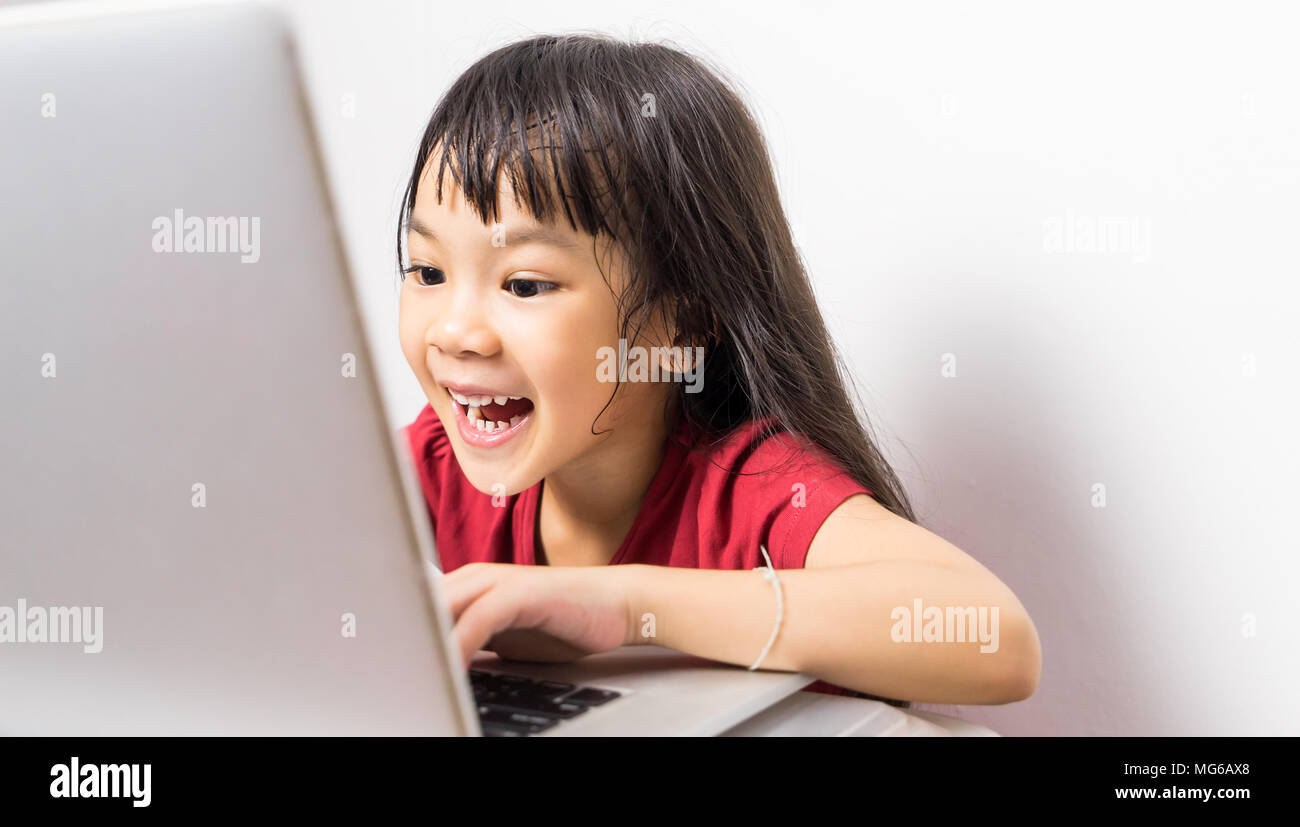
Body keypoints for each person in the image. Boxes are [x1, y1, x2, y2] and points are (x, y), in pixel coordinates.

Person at [398, 33, 1040, 705]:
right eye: (428, 271)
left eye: (525, 284)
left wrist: (625, 606)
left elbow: (995, 636)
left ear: (685, 317)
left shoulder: (752, 491)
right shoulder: (438, 464)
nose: (455, 332)